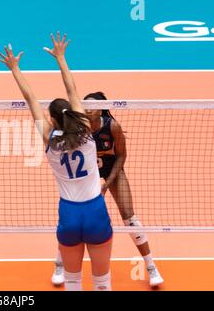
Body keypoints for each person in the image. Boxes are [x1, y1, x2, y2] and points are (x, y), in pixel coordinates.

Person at [0, 34, 113, 291]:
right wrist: (61, 58)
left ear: (52, 120)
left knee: (72, 281)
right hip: (95, 211)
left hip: (69, 213)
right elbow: (72, 90)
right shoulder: (85, 129)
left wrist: (15, 68)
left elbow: (30, 99)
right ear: (72, 115)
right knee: (102, 281)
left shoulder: (49, 138)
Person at [52, 91, 164, 287]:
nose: (87, 108)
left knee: (129, 216)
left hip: (111, 170)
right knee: (70, 221)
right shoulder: (78, 127)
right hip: (88, 174)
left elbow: (121, 156)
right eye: (85, 104)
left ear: (101, 109)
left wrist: (108, 182)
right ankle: (60, 264)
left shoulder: (112, 126)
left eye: (92, 106)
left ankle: (151, 266)